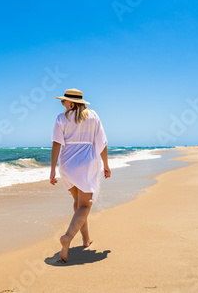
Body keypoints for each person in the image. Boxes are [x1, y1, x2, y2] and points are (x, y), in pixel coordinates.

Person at [50, 88, 111, 263]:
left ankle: (86, 239)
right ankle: (67, 237)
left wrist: (53, 169)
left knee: (78, 203)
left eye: (64, 101)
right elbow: (102, 142)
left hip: (67, 165)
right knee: (85, 206)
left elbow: (56, 144)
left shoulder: (61, 118)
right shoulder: (92, 116)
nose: (62, 104)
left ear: (72, 102)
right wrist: (106, 164)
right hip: (86, 164)